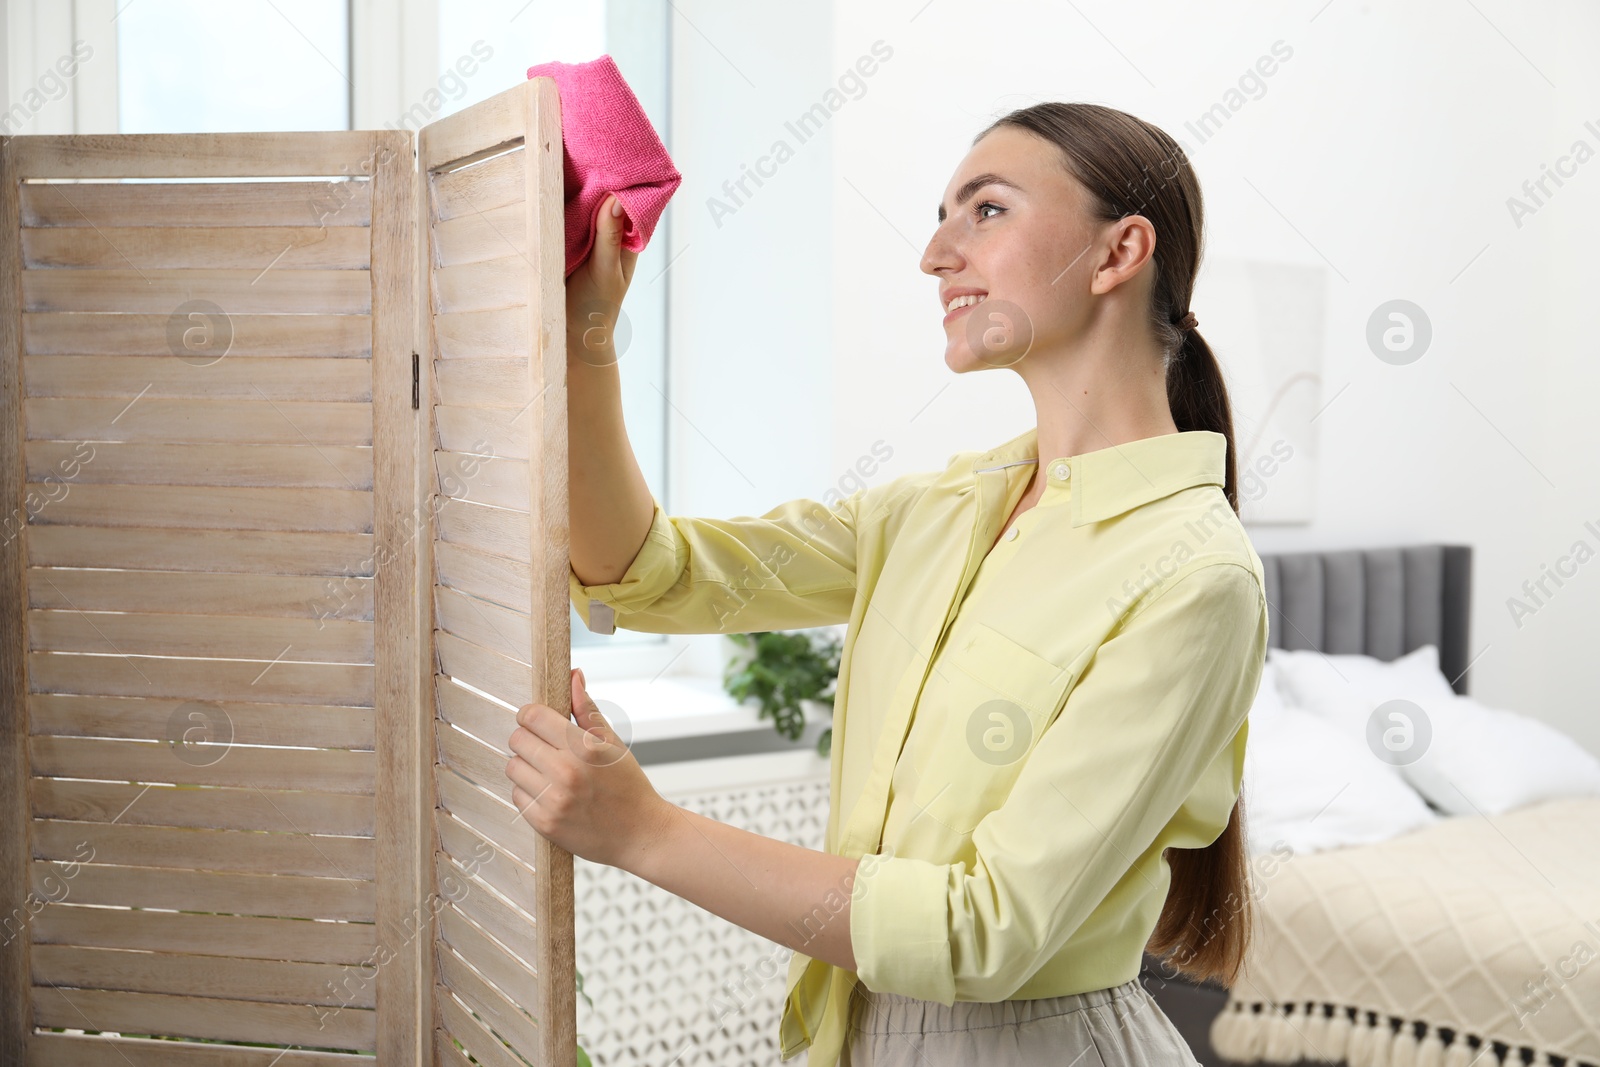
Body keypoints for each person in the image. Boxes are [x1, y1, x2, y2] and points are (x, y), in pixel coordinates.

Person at [503, 101, 1269, 1067]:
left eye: (985, 210)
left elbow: (987, 927)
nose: (936, 254)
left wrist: (646, 832)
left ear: (1119, 253)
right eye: (942, 214)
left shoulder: (1197, 575)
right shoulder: (939, 510)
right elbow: (652, 573)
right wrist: (588, 333)